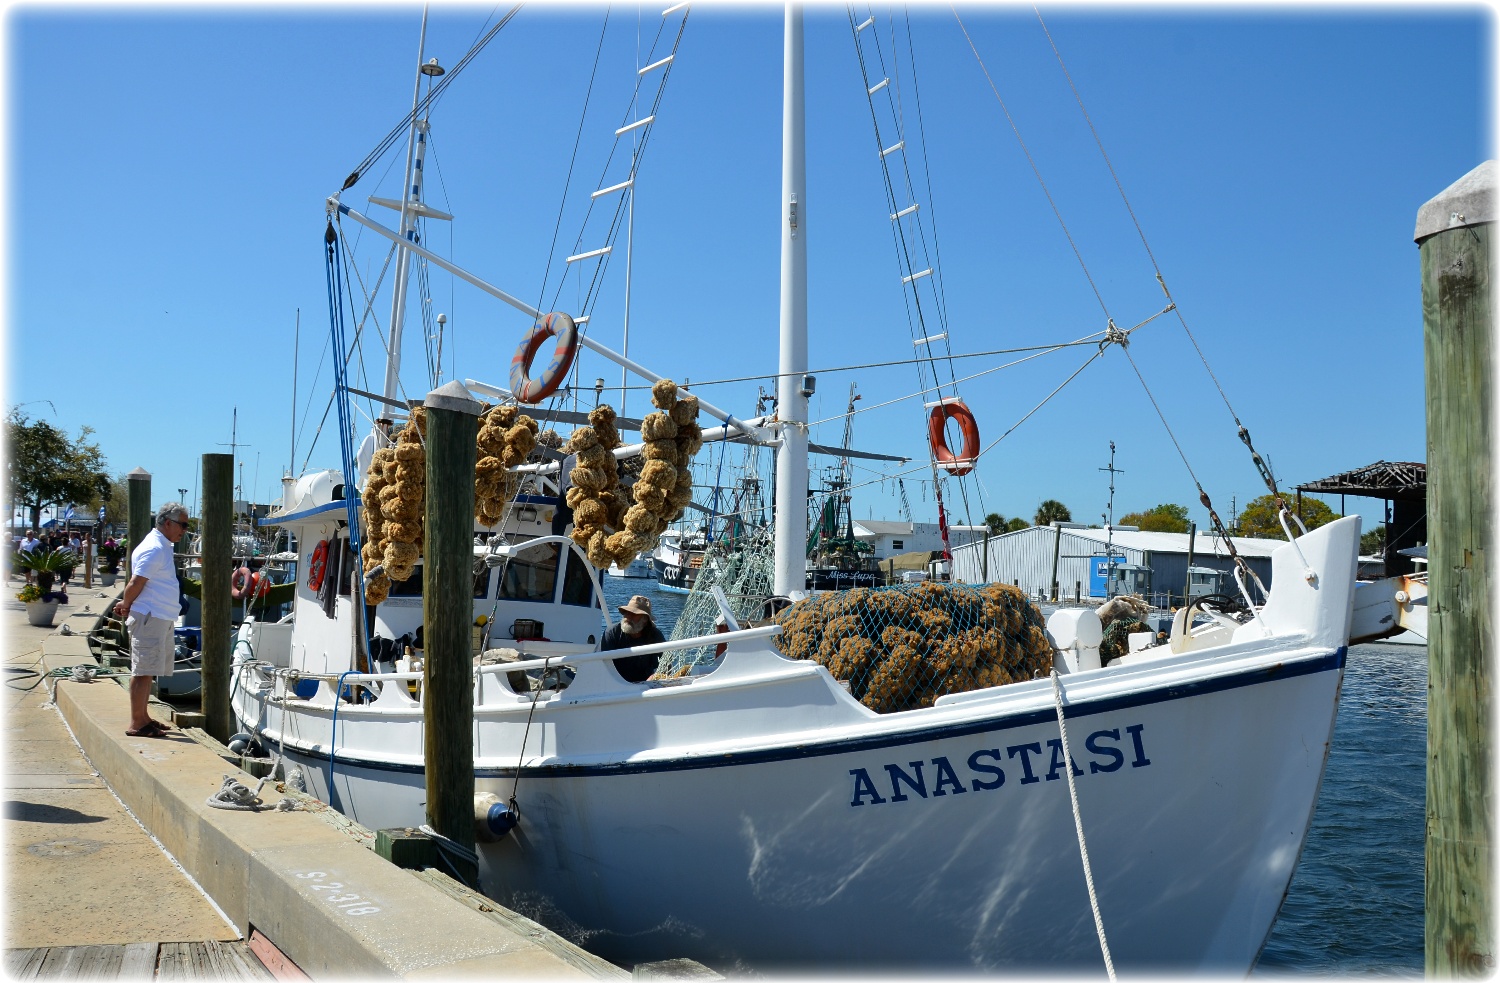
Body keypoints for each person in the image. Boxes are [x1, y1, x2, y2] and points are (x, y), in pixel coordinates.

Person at [112, 502, 189, 738]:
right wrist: (126, 604)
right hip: (150, 617)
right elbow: (136, 581)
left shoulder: (162, 545)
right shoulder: (155, 548)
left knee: (149, 669)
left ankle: (144, 717)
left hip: (159, 616)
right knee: (143, 670)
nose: (184, 530)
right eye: (183, 525)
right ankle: (137, 722)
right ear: (168, 523)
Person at [600, 594, 666, 682]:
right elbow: (604, 666)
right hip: (614, 683)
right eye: (627, 612)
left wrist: (655, 676)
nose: (628, 616)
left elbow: (666, 664)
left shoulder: (655, 635)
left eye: (633, 614)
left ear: (645, 619)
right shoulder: (612, 633)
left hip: (646, 685)